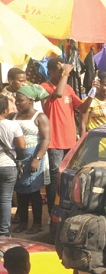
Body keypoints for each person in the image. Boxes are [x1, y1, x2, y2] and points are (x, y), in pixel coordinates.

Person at [41, 57, 92, 219]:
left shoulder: (68, 88)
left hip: (70, 141)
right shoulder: (44, 87)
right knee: (56, 179)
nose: (63, 73)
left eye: (63, 71)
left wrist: (92, 93)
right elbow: (58, 93)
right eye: (59, 70)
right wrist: (65, 72)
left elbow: (82, 108)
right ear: (50, 71)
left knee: (70, 177)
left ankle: (67, 210)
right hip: (54, 142)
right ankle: (52, 213)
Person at [12, 85, 49, 234]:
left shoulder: (40, 117)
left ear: (31, 100)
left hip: (34, 157)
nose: (17, 103)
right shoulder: (13, 116)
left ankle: (37, 223)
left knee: (34, 192)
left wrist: (37, 158)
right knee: (20, 192)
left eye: (20, 100)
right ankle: (23, 222)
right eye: (16, 100)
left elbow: (46, 140)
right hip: (18, 159)